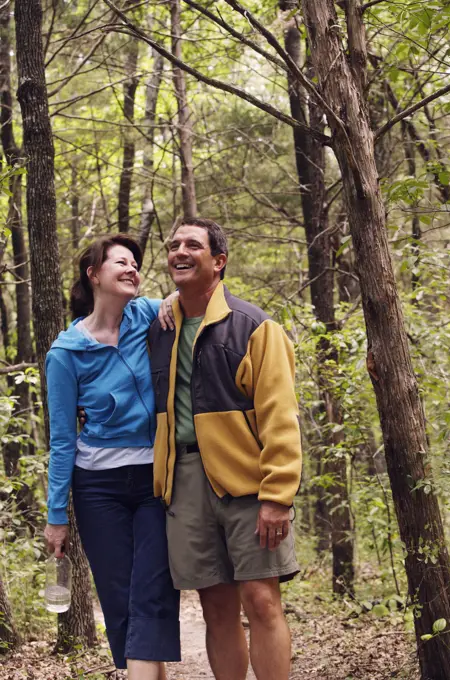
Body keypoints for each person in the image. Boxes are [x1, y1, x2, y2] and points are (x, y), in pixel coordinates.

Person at [148, 217, 302, 680]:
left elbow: (279, 416)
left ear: (218, 261)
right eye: (174, 244)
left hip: (249, 484)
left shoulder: (254, 326)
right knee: (216, 607)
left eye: (192, 245)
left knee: (262, 600)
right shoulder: (159, 328)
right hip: (186, 485)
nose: (179, 251)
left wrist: (278, 495)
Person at [44, 234, 180, 680]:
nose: (132, 269)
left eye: (135, 263)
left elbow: (192, 296)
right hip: (97, 487)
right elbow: (63, 439)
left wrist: (176, 296)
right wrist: (56, 515)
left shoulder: (148, 315)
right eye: (120, 262)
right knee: (120, 598)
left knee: (152, 589)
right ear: (94, 275)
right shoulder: (66, 354)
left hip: (154, 479)